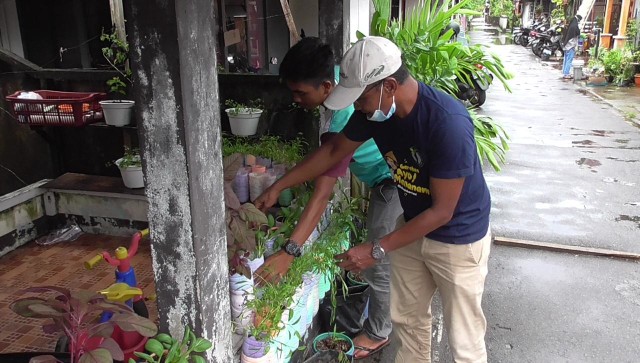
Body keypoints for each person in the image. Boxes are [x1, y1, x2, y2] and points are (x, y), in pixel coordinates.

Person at [255, 36, 492, 363]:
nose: (356, 108)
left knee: (463, 338)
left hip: (457, 239)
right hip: (411, 223)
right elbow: (335, 150)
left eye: (360, 99)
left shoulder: (446, 123)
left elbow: (442, 211)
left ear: (390, 86)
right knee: (407, 321)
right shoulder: (373, 111)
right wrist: (279, 184)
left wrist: (377, 248)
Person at [253, 37, 402, 360]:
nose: (296, 100)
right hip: (384, 178)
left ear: (326, 85)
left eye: (300, 93)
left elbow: (322, 193)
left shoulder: (344, 113)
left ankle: (378, 332)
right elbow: (325, 156)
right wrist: (277, 186)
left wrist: (290, 252)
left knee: (379, 257)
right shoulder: (337, 83)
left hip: (393, 182)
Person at [562, 14, 583, 79]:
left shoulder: (570, 26)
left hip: (566, 45)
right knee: (569, 60)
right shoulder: (574, 26)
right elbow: (578, 33)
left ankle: (565, 72)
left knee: (566, 59)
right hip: (570, 46)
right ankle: (566, 73)